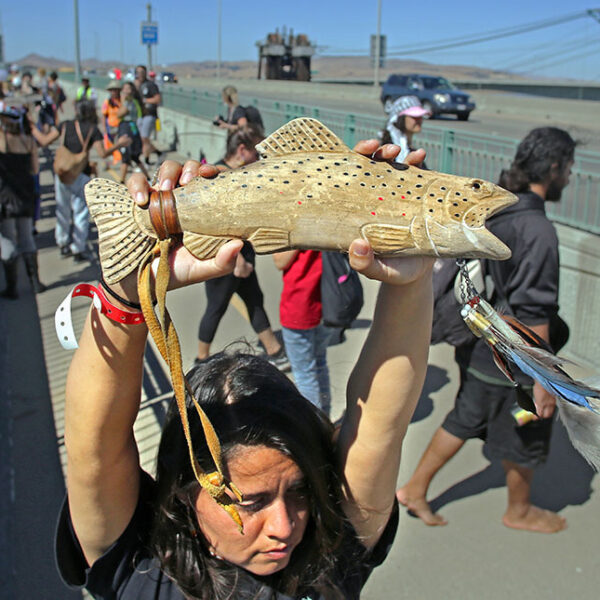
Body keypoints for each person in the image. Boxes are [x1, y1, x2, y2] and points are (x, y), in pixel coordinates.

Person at [54, 142, 434, 599]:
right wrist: (126, 291)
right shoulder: (141, 568)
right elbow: (93, 448)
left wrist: (412, 279)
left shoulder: (327, 551)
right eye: (250, 503)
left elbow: (379, 425)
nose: (284, 527)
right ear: (183, 496)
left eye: (299, 492)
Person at [396, 127, 576, 534]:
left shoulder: (499, 209)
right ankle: (520, 510)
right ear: (553, 168)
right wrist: (543, 379)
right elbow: (533, 310)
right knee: (528, 429)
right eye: (568, 168)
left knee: (467, 415)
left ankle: (415, 488)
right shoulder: (538, 230)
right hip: (513, 354)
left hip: (481, 340)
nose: (569, 177)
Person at [197, 125, 289, 372]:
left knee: (254, 301)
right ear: (241, 150)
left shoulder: (240, 173)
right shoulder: (220, 175)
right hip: (227, 259)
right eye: (256, 153)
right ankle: (201, 359)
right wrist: (236, 260)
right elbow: (218, 226)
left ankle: (274, 350)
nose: (260, 159)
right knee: (216, 307)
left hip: (243, 257)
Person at [51, 100, 130, 262]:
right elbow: (102, 153)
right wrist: (119, 145)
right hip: (81, 173)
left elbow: (45, 140)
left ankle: (62, 243)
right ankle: (78, 249)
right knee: (80, 213)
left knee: (62, 209)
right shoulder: (93, 130)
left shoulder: (65, 125)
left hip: (62, 173)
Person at [0, 104, 46, 297]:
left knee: (9, 240)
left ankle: (12, 288)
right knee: (27, 238)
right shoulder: (29, 141)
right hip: (26, 195)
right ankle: (36, 283)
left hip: (5, 196)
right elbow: (35, 170)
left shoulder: (2, 142)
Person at [380, 95, 429, 165]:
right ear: (400, 119)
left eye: (420, 116)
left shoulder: (410, 149)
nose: (419, 120)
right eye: (414, 116)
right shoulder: (389, 150)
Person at [116, 81, 149, 183]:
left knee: (125, 155)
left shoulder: (128, 101)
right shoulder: (135, 101)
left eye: (127, 89)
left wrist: (122, 101)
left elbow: (119, 114)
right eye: (124, 88)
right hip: (134, 128)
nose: (125, 91)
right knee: (134, 156)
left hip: (127, 128)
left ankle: (121, 180)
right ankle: (148, 177)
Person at [134, 64, 163, 166]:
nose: (140, 74)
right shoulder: (136, 86)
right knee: (143, 139)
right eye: (138, 72)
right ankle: (158, 152)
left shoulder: (150, 85)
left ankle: (146, 159)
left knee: (144, 137)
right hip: (140, 115)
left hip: (149, 115)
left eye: (142, 72)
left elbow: (158, 99)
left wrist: (146, 100)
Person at [101, 80, 123, 166]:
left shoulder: (122, 101)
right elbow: (103, 115)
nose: (113, 92)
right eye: (112, 90)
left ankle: (120, 162)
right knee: (110, 146)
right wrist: (104, 129)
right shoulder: (107, 102)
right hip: (111, 127)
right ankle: (110, 162)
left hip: (120, 127)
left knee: (119, 145)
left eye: (115, 90)